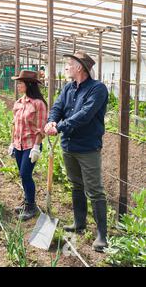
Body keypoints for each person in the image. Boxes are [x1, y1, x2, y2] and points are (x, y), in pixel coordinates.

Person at [44, 50, 109, 252]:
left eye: (69, 64)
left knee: (95, 190)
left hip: (87, 147)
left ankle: (102, 235)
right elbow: (57, 107)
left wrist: (59, 128)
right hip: (69, 146)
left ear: (80, 67)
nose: (66, 67)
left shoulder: (97, 89)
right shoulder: (68, 89)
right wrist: (52, 120)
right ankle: (79, 223)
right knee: (76, 185)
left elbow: (85, 115)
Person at [8, 70, 47, 220]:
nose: (18, 85)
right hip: (19, 144)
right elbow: (14, 124)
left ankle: (31, 206)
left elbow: (40, 128)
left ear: (29, 84)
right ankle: (26, 202)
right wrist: (12, 143)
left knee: (26, 174)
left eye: (20, 83)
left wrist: (37, 147)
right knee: (22, 175)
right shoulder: (19, 103)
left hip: (31, 145)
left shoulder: (39, 104)